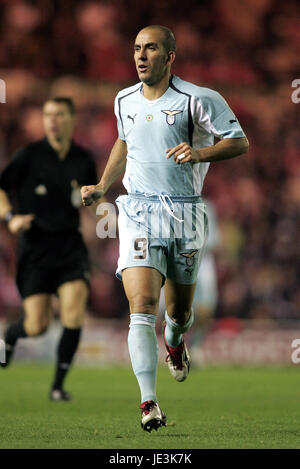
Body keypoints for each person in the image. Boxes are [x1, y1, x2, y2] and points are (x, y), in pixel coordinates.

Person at [81, 25, 249, 431]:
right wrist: (104, 186)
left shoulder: (199, 99)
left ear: (170, 56)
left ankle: (174, 342)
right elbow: (125, 141)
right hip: (137, 210)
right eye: (136, 48)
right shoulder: (124, 99)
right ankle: (149, 403)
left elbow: (239, 141)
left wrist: (199, 152)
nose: (141, 55)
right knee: (141, 308)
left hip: (186, 214)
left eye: (151, 48)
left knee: (179, 312)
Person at [0, 97, 98, 401]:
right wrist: (9, 218)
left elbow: (96, 197)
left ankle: (57, 386)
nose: (52, 120)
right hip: (36, 249)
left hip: (70, 246)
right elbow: (1, 187)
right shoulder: (29, 156)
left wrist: (106, 217)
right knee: (37, 325)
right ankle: (9, 336)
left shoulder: (83, 159)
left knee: (73, 312)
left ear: (71, 120)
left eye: (59, 115)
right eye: (48, 115)